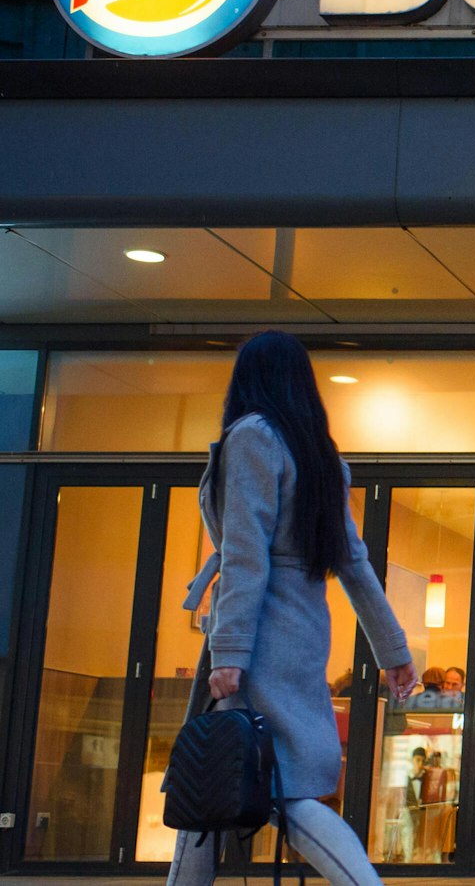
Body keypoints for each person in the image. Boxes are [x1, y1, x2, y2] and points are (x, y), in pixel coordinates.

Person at [167, 330, 418, 886]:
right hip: (303, 631)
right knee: (217, 784)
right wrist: (393, 650)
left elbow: (246, 556)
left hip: (258, 636)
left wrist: (230, 651)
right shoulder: (319, 454)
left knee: (273, 789)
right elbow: (354, 562)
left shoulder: (253, 437)